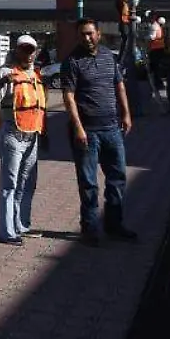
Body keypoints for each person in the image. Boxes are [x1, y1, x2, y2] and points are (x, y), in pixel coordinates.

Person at [59, 19, 136, 245]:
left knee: (118, 178)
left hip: (112, 128)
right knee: (89, 183)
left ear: (99, 34)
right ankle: (90, 229)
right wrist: (78, 128)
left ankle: (114, 224)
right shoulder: (72, 61)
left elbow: (119, 86)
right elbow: (69, 97)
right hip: (88, 133)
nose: (87, 38)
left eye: (90, 33)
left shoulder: (108, 57)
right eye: (82, 34)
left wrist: (126, 114)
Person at [0, 35, 46, 246]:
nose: (28, 54)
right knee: (9, 184)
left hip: (32, 135)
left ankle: (21, 225)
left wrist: (45, 133)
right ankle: (6, 232)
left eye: (31, 50)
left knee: (27, 183)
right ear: (17, 51)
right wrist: (0, 83)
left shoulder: (35, 74)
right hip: (12, 134)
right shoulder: (5, 72)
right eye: (24, 50)